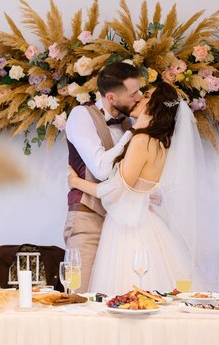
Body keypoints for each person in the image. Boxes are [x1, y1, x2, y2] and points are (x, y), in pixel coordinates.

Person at [68, 82, 202, 294]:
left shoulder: (141, 140)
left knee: (127, 293)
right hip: (149, 224)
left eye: (146, 95)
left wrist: (77, 183)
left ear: (154, 106)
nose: (139, 98)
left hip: (130, 228)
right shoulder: (162, 144)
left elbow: (118, 190)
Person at [64, 62, 143, 293]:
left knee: (121, 298)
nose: (138, 97)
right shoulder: (81, 116)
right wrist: (130, 134)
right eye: (133, 93)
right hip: (88, 221)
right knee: (81, 297)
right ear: (111, 97)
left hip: (122, 225)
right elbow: (101, 169)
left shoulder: (131, 120)